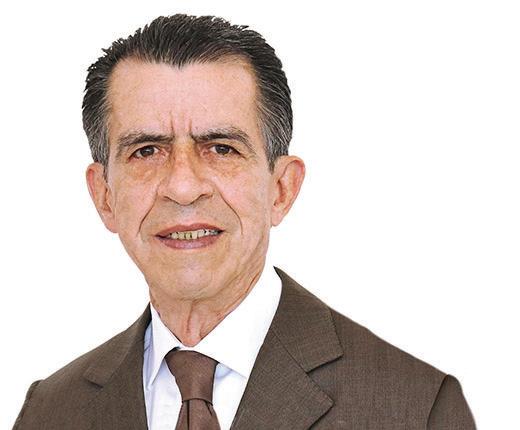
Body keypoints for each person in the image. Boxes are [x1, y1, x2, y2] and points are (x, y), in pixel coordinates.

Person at [13, 14, 476, 430]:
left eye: (221, 148)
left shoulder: (417, 410)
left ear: (282, 188)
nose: (183, 186)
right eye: (147, 151)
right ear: (104, 196)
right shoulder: (49, 412)